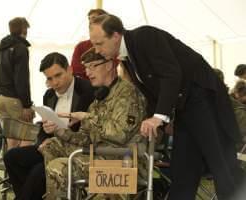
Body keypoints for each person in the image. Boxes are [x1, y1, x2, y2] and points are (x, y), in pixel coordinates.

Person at [89, 14, 243, 200]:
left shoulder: (144, 37)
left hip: (203, 99)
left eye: (99, 43)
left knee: (222, 167)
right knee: (183, 170)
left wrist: (159, 116)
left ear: (115, 35)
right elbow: (153, 92)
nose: (97, 50)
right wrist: (163, 120)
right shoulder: (127, 57)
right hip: (184, 107)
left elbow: (171, 74)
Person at [39, 48, 147, 200]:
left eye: (93, 66)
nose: (88, 72)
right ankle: (62, 194)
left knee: (58, 167)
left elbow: (119, 135)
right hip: (99, 154)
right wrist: (59, 130)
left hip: (122, 160)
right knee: (51, 145)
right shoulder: (100, 98)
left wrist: (87, 117)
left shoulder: (128, 94)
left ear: (109, 65)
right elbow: (85, 138)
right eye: (86, 67)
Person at [3, 52, 94, 200]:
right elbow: (45, 126)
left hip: (75, 150)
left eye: (58, 75)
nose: (54, 83)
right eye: (49, 79)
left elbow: (90, 130)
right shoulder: (49, 95)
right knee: (11, 157)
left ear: (69, 70)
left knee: (38, 172)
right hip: (51, 147)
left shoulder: (88, 90)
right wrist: (43, 139)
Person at [0, 17, 35, 149]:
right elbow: (21, 78)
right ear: (24, 29)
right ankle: (20, 169)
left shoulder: (0, 48)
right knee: (27, 137)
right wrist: (27, 104)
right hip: (13, 99)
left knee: (11, 141)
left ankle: (10, 169)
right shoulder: (20, 48)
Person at [71, 8, 108, 79]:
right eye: (89, 19)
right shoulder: (81, 46)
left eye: (94, 18)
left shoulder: (111, 45)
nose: (90, 21)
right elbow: (75, 69)